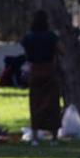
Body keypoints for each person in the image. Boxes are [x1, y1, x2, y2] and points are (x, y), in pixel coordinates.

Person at [21, 10, 63, 144]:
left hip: (35, 71)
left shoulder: (28, 37)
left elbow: (26, 51)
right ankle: (54, 137)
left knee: (35, 104)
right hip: (49, 70)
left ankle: (34, 137)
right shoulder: (51, 36)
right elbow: (62, 50)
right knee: (52, 104)